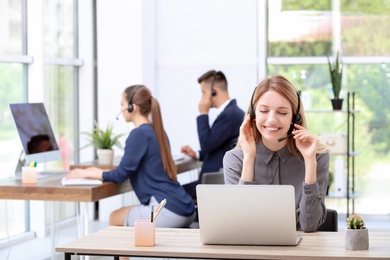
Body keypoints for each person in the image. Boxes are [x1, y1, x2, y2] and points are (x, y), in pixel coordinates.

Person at [66, 85, 196, 228]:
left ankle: (125, 251)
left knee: (115, 217)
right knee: (123, 213)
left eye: (122, 104)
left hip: (167, 211)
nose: (121, 110)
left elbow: (120, 174)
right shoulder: (158, 131)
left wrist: (88, 173)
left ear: (131, 107)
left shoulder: (139, 134)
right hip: (186, 209)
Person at [223, 75, 329, 232]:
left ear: (295, 117)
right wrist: (249, 159)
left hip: (299, 254)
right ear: (253, 114)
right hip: (251, 253)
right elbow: (240, 224)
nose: (272, 120)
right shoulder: (235, 159)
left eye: (282, 112)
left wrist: (310, 162)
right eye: (264, 111)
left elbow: (309, 225)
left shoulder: (317, 156)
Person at [181, 70, 245, 199]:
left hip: (215, 182)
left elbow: (207, 144)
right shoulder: (230, 113)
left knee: (174, 192)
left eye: (203, 93)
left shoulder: (231, 115)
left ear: (213, 91)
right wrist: (197, 154)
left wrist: (203, 114)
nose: (202, 98)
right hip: (214, 179)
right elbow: (218, 146)